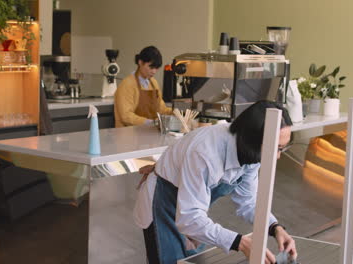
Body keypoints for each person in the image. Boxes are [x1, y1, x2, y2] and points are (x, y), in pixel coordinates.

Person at [133, 100, 298, 264]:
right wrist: (240, 242)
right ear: (253, 139)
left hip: (192, 208)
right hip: (162, 203)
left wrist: (276, 228)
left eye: (282, 148)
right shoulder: (205, 153)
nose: (277, 156)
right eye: (276, 148)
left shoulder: (253, 153)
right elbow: (189, 218)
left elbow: (248, 202)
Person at [114, 46, 173, 127]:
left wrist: (175, 112)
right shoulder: (127, 84)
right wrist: (151, 122)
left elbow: (161, 109)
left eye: (156, 68)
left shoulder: (153, 83)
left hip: (148, 133)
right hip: (129, 135)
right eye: (151, 67)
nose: (154, 71)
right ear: (140, 62)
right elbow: (126, 116)